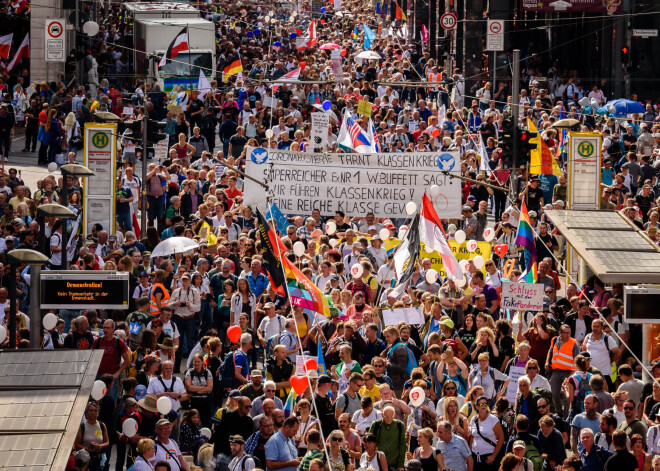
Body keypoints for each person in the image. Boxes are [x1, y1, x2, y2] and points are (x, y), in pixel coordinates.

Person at [74, 401, 110, 471]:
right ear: (86, 413)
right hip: (85, 460)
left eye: (95, 411)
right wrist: (88, 449)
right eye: (91, 410)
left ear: (98, 413)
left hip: (99, 460)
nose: (93, 412)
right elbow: (77, 444)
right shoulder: (82, 427)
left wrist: (100, 446)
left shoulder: (102, 425)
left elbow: (107, 442)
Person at [369, 406, 406, 471]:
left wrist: (401, 464)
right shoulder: (376, 425)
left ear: (394, 415)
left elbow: (402, 445)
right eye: (386, 417)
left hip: (394, 463)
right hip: (378, 463)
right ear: (382, 415)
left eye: (391, 417)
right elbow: (368, 443)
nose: (389, 419)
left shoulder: (399, 425)